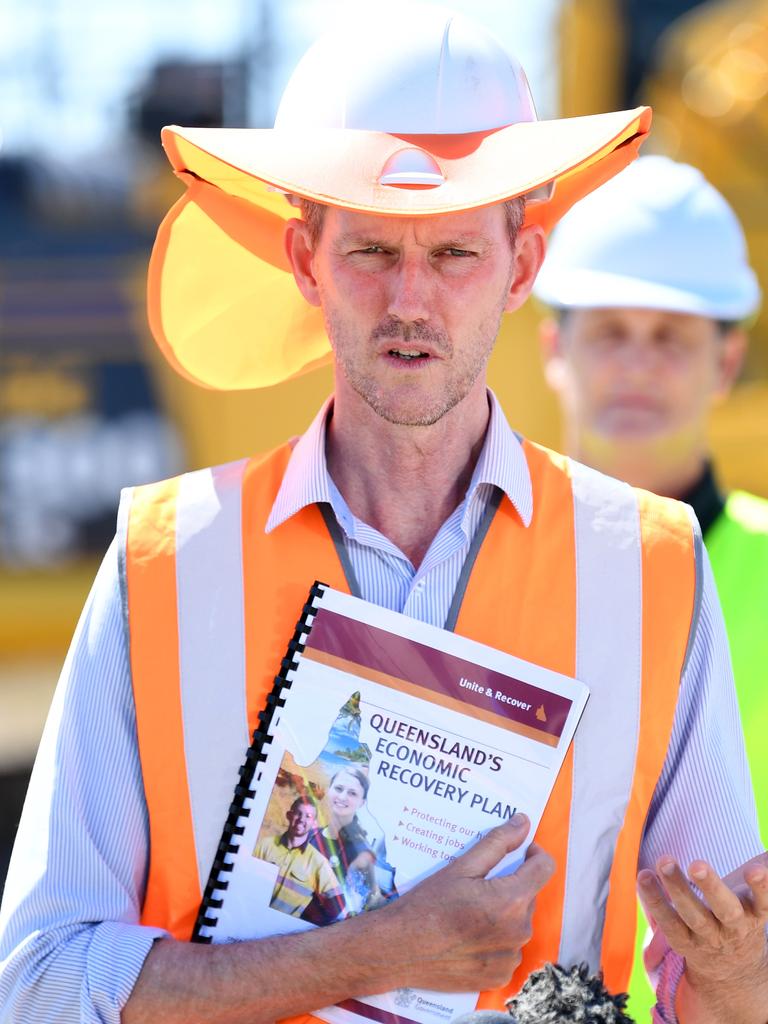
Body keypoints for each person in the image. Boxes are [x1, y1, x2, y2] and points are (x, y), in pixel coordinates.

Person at [0, 10, 766, 1024]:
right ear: (306, 263)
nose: (411, 300)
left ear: (522, 268)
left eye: (453, 254)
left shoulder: (653, 569)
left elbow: (712, 992)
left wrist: (736, 980)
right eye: (369, 251)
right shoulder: (161, 563)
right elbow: (40, 982)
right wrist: (377, 952)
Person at [533, 154, 768, 1019]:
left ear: (727, 359)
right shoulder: (470, 556)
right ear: (555, 348)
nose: (638, 365)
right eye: (611, 332)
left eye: (671, 336)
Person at [253, 796, 344, 923]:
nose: (302, 819)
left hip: (280, 931)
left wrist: (304, 919)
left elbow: (338, 902)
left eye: (308, 816)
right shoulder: (265, 845)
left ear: (314, 824)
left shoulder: (318, 862)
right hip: (251, 915)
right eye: (298, 813)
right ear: (289, 815)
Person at [309, 767, 384, 915]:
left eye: (352, 793)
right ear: (329, 790)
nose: (342, 797)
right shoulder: (310, 835)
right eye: (338, 788)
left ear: (362, 802)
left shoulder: (360, 853)